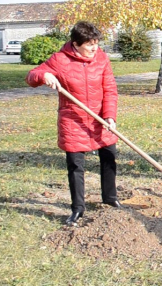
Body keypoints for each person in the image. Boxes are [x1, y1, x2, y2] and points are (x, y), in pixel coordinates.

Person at [26, 21, 121, 226]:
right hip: (74, 121)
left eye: (96, 43)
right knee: (76, 165)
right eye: (89, 44)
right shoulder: (60, 60)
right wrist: (45, 75)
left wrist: (110, 116)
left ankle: (110, 198)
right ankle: (78, 208)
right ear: (76, 44)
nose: (94, 48)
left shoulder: (102, 59)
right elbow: (31, 77)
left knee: (109, 156)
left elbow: (110, 90)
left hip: (100, 118)